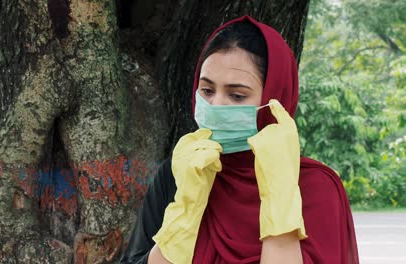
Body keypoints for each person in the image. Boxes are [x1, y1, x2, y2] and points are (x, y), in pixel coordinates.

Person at [120, 15, 359, 264]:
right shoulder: (181, 172)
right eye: (207, 90)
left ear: (274, 98)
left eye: (236, 95)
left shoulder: (315, 187)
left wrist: (280, 197)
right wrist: (186, 212)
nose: (216, 105)